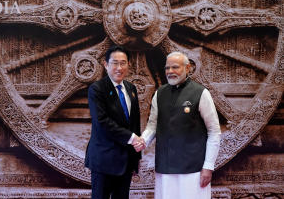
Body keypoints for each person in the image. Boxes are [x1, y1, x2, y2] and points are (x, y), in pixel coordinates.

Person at [134, 52, 221, 199]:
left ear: (187, 68)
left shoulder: (200, 93)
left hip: (193, 170)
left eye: (175, 67)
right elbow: (152, 126)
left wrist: (208, 166)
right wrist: (143, 140)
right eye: (167, 68)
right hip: (165, 168)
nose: (170, 71)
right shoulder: (159, 94)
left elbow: (214, 132)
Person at [85, 45, 143, 199]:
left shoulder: (131, 88)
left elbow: (134, 123)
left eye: (123, 63)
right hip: (104, 159)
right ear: (106, 64)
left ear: (128, 65)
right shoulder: (97, 89)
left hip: (126, 161)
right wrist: (132, 138)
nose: (119, 68)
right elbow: (102, 121)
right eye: (115, 63)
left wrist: (137, 156)